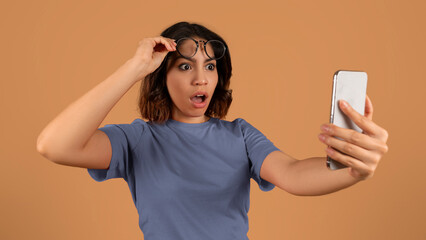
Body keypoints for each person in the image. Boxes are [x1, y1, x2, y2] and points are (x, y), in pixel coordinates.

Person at [36, 21, 389, 239]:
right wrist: (135, 67)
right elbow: (54, 145)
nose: (200, 78)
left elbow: (294, 174)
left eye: (210, 67)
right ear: (161, 76)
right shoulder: (136, 140)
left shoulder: (240, 135)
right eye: (185, 66)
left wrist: (354, 169)